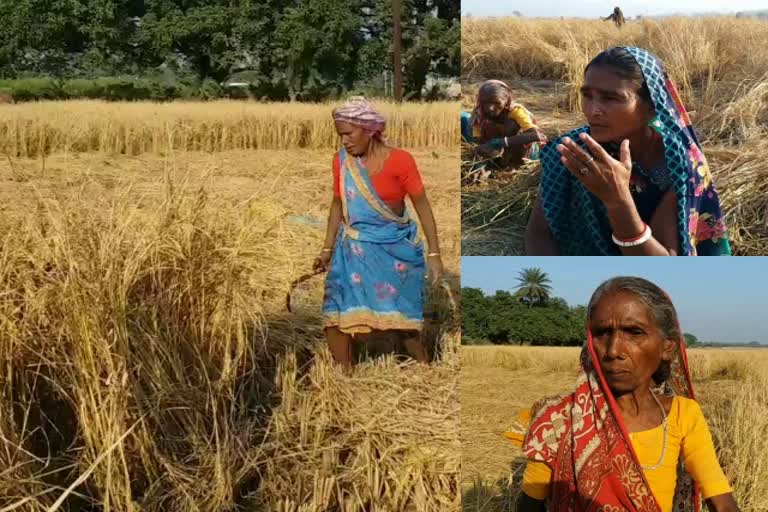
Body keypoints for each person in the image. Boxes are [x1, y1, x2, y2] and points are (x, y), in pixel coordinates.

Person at [508, 277, 740, 512]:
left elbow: (720, 500)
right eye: (602, 333)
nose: (613, 350)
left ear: (667, 347)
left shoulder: (683, 414)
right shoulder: (559, 418)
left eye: (634, 333)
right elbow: (529, 506)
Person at [526, 47, 730, 256]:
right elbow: (539, 234)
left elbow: (667, 262)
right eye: (587, 95)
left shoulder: (679, 164)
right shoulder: (572, 151)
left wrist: (618, 201)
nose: (592, 110)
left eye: (611, 98)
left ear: (652, 106)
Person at [314, 97, 444, 367]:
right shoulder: (341, 162)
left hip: (393, 247)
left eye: (349, 134)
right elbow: (338, 205)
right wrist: (327, 248)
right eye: (341, 136)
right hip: (352, 248)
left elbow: (422, 206)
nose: (345, 142)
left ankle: (423, 367)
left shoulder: (400, 161)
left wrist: (433, 253)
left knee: (401, 316)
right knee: (336, 312)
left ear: (369, 129)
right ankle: (344, 376)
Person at [461, 80, 547, 171]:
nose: (490, 108)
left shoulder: (515, 111)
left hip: (523, 155)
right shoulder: (479, 114)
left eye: (497, 103)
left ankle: (514, 165)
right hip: (497, 154)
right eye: (486, 102)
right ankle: (497, 165)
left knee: (512, 125)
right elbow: (479, 142)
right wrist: (480, 165)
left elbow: (536, 135)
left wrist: (500, 142)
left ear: (506, 100)